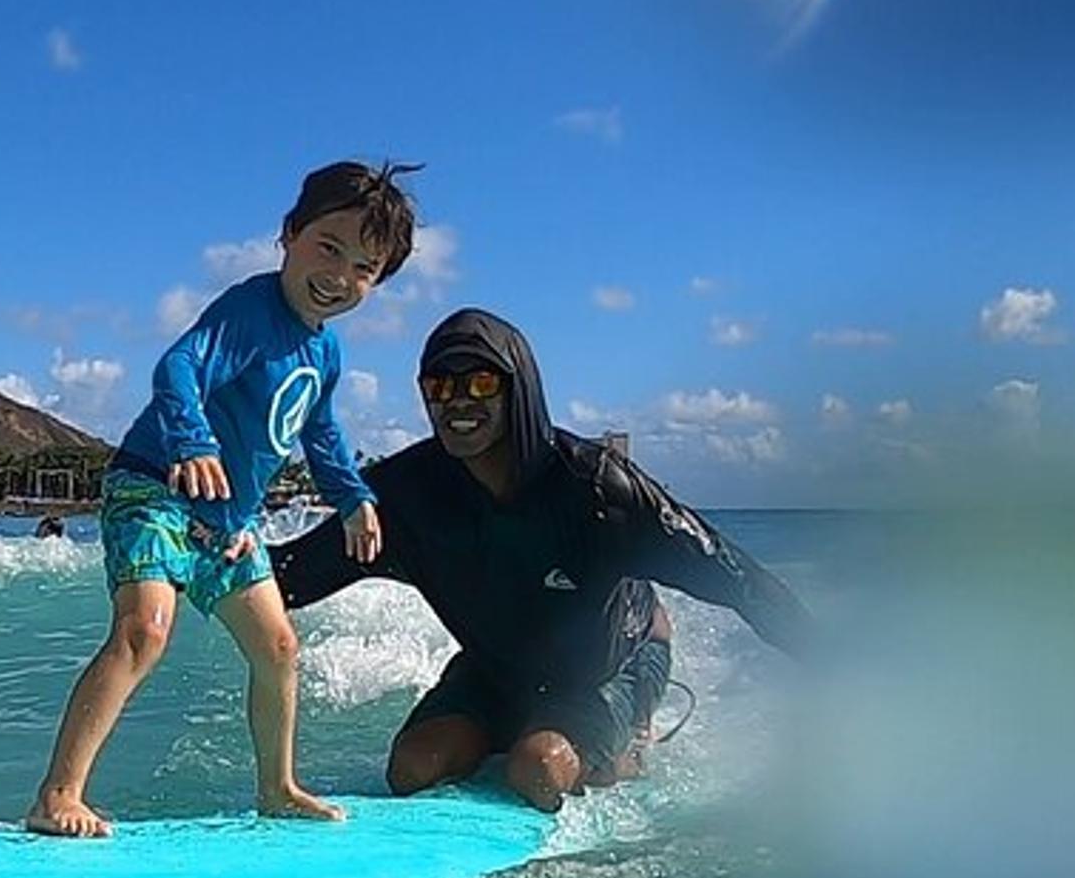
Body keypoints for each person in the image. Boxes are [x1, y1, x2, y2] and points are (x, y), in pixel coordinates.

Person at [273, 307, 812, 811]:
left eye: (482, 382)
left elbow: (736, 577)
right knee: (413, 768)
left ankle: (626, 751)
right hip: (496, 670)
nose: (458, 400)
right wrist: (197, 549)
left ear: (519, 390)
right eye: (440, 385)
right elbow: (289, 577)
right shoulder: (407, 499)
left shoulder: (598, 490)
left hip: (613, 663)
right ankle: (518, 733)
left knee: (540, 768)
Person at [26, 161, 421, 837]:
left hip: (228, 521)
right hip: (155, 486)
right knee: (145, 629)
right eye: (329, 247)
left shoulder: (325, 354)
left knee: (279, 648)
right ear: (289, 234)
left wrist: (353, 496)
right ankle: (58, 795)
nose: (340, 276)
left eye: (364, 268)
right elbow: (178, 366)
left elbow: (320, 432)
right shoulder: (249, 309)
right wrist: (192, 441)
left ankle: (277, 788)